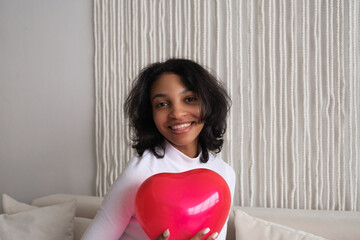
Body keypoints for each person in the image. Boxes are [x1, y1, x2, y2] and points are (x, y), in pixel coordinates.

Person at [82, 58, 236, 240]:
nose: (177, 113)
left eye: (189, 99)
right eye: (162, 104)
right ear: (151, 114)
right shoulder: (140, 173)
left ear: (208, 103)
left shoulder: (224, 173)